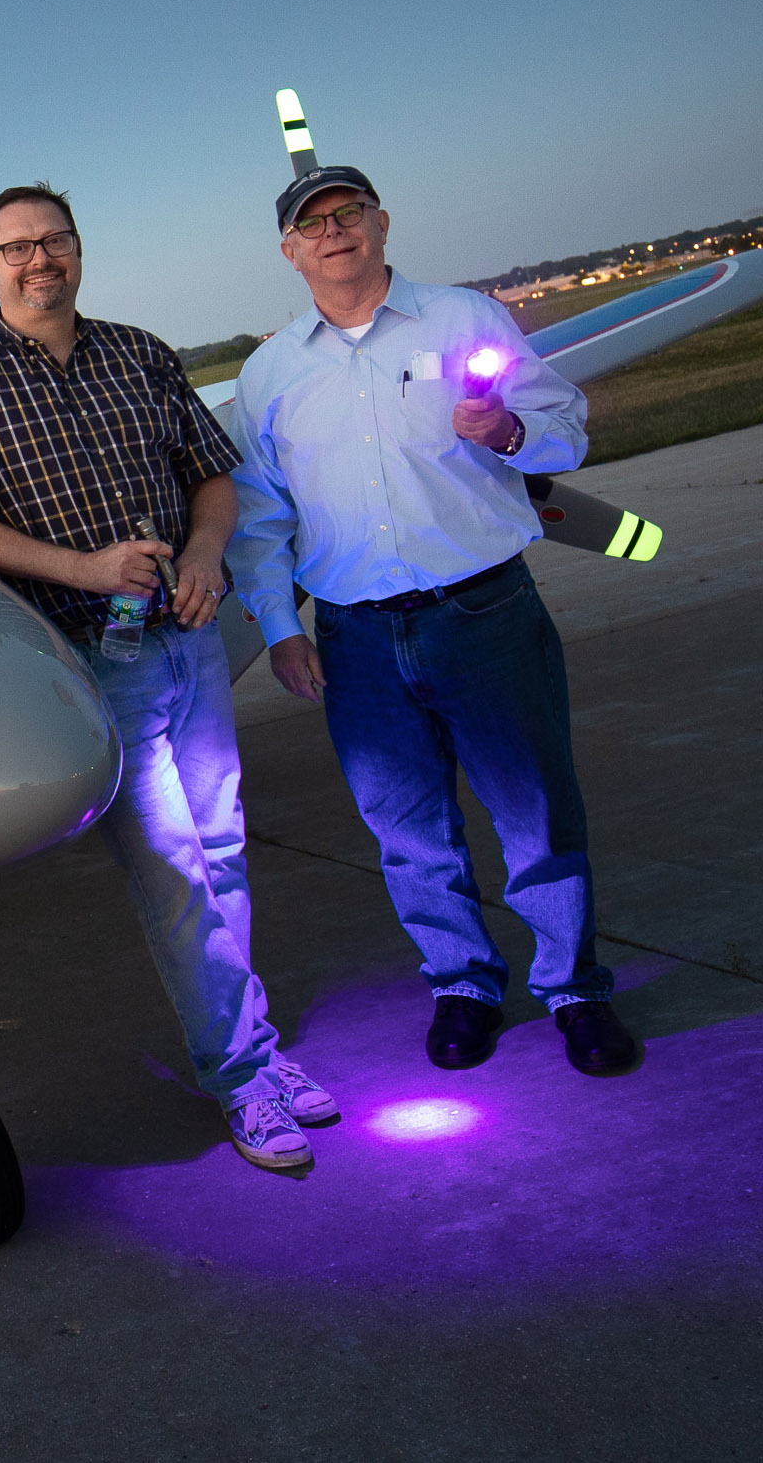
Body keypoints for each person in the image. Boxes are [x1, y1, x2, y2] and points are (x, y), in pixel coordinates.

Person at [0, 182, 337, 1173]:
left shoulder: (139, 351)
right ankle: (241, 1076)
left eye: (54, 240)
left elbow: (212, 474)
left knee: (222, 849)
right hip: (88, 657)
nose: (39, 259)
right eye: (17, 247)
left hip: (187, 636)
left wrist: (205, 553)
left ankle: (254, 1047)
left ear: (77, 249)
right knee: (173, 872)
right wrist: (86, 569)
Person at [225, 165, 643, 1078]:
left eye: (348, 213)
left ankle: (575, 991)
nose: (333, 231)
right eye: (311, 223)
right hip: (355, 638)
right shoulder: (269, 374)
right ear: (289, 252)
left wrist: (507, 432)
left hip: (484, 613)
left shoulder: (464, 319)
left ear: (380, 222)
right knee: (408, 831)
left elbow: (566, 424)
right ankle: (463, 985)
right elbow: (259, 519)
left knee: (534, 811)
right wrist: (280, 627)